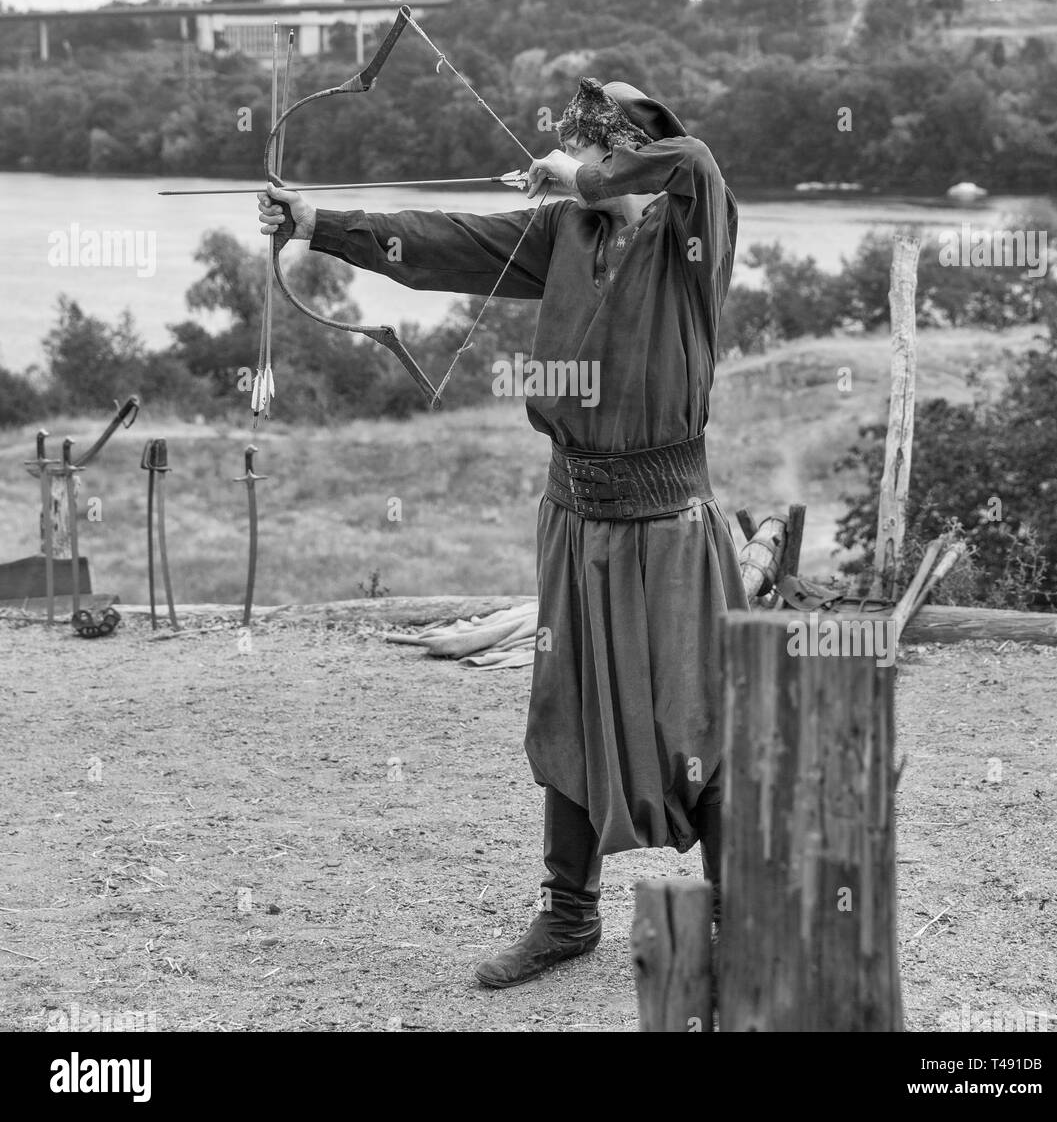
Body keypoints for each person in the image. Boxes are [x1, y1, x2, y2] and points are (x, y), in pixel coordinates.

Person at [258, 75, 748, 988]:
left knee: (697, 717)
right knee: (564, 710)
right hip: (575, 515)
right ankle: (569, 917)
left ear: (630, 154)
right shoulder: (565, 233)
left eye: (606, 145)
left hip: (671, 521)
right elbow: (437, 245)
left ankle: (734, 915)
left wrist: (582, 174)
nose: (588, 157)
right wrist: (316, 222)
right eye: (583, 143)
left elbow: (693, 160)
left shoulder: (694, 230)